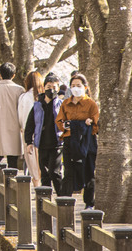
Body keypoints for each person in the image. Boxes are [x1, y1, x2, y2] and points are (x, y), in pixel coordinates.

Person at [56, 73, 98, 209]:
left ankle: (89, 204)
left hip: (87, 142)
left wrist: (89, 122)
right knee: (68, 172)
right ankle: (65, 202)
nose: (76, 88)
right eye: (73, 86)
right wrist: (69, 125)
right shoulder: (66, 103)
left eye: (78, 86)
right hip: (69, 140)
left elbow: (96, 123)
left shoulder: (91, 104)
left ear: (85, 87)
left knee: (89, 172)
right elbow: (59, 121)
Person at [24, 73, 63, 194]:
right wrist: (29, 142)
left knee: (54, 172)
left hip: (57, 143)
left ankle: (62, 199)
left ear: (58, 88)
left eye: (54, 87)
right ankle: (45, 201)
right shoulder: (37, 105)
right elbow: (29, 125)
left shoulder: (61, 105)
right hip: (41, 143)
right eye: (48, 86)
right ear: (44, 87)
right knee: (45, 173)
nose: (51, 89)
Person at [0, 62, 25, 168]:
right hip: (15, 129)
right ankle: (13, 182)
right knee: (13, 161)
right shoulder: (20, 90)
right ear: (14, 75)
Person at [18, 71, 44, 187]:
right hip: (42, 134)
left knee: (33, 165)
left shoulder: (24, 97)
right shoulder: (44, 97)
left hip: (28, 135)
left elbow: (21, 117)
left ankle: (37, 186)